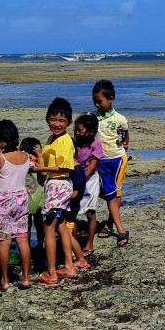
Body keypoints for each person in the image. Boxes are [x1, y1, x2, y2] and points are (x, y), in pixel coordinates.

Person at [35, 97, 78, 285]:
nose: (57, 124)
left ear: (69, 122)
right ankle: (69, 265)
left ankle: (51, 272)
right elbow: (49, 163)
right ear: (47, 119)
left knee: (48, 228)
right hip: (57, 186)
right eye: (53, 119)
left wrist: (38, 169)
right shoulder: (52, 139)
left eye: (61, 121)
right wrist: (37, 161)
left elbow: (65, 167)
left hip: (58, 185)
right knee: (60, 225)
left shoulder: (64, 141)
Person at [0, 120, 33, 290]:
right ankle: (26, 277)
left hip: (3, 201)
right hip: (22, 199)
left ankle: (5, 279)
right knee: (22, 239)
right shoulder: (25, 156)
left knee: (4, 241)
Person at [92, 80, 130, 247]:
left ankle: (120, 230)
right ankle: (110, 222)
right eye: (95, 101)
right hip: (101, 161)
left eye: (100, 101)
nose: (97, 104)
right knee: (108, 193)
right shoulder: (93, 118)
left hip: (117, 160)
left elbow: (125, 135)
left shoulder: (120, 119)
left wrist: (126, 143)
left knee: (113, 193)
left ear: (111, 98)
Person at [72, 113, 103, 258]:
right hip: (76, 178)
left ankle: (89, 242)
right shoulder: (74, 144)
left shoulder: (96, 145)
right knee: (73, 213)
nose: (77, 133)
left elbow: (91, 168)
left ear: (91, 132)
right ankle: (74, 244)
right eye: (75, 130)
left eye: (80, 130)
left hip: (90, 181)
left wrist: (78, 182)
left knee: (90, 212)